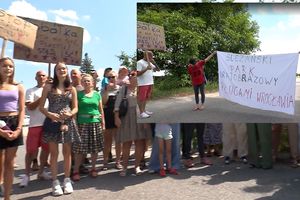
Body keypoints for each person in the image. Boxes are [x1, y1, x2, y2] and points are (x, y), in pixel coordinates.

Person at [39, 62, 80, 196]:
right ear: (55, 71)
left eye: (64, 68)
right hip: (52, 122)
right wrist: (50, 114)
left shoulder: (71, 88)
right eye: (59, 69)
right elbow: (41, 107)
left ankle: (67, 180)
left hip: (67, 122)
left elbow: (75, 107)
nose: (61, 70)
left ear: (66, 71)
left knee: (67, 153)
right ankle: (55, 182)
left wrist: (71, 113)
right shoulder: (48, 87)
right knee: (54, 153)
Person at [114, 71, 152, 176]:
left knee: (140, 142)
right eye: (130, 76)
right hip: (127, 118)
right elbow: (117, 104)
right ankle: (124, 168)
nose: (132, 77)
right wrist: (116, 118)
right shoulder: (124, 89)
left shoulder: (141, 89)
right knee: (127, 143)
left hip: (139, 117)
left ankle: (137, 167)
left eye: (134, 76)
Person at [20, 71, 51, 188]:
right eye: (39, 75)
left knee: (46, 150)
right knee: (30, 151)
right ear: (35, 78)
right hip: (34, 125)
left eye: (43, 75)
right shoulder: (30, 91)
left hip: (48, 125)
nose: (41, 77)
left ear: (46, 77)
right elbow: (30, 107)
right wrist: (43, 95)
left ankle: (41, 172)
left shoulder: (51, 91)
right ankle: (26, 175)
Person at [0, 57, 25, 200]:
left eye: (11, 66)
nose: (8, 69)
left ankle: (7, 196)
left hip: (14, 123)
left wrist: (19, 129)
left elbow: (22, 110)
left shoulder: (19, 86)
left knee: (9, 163)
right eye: (4, 66)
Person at [72, 74, 105, 181]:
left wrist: (103, 122)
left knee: (94, 148)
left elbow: (101, 110)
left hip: (95, 123)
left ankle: (93, 168)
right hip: (82, 124)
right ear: (81, 83)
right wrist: (75, 124)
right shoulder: (78, 94)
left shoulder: (97, 95)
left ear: (92, 83)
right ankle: (76, 170)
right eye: (84, 81)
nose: (86, 83)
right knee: (80, 149)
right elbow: (75, 110)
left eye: (88, 81)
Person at [102, 71, 122, 170]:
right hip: (107, 116)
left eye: (113, 77)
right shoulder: (104, 89)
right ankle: (105, 162)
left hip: (118, 116)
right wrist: (107, 90)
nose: (111, 79)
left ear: (116, 77)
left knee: (118, 140)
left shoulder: (121, 89)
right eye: (108, 77)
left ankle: (118, 161)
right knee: (107, 141)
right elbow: (103, 102)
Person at [137, 51, 159, 118]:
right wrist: (146, 69)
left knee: (146, 97)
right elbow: (137, 74)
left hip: (150, 82)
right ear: (147, 56)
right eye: (151, 56)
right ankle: (141, 112)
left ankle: (144, 110)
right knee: (141, 98)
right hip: (143, 83)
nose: (152, 57)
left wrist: (154, 62)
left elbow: (158, 70)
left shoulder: (150, 63)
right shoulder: (139, 62)